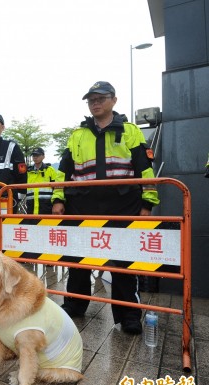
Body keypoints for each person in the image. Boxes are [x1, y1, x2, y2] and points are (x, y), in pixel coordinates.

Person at [51, 81, 160, 335]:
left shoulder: (130, 131)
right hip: (82, 204)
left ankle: (129, 315)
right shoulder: (77, 134)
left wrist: (147, 203)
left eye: (100, 98)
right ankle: (75, 305)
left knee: (123, 262)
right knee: (77, 259)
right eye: (91, 100)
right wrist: (58, 199)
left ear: (113, 100)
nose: (95, 103)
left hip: (123, 205)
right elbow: (63, 171)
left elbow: (145, 169)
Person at [25, 147, 56, 215]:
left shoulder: (50, 170)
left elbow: (56, 189)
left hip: (46, 206)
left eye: (37, 155)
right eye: (33, 155)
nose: (35, 157)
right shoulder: (28, 172)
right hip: (31, 206)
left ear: (43, 156)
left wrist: (56, 203)